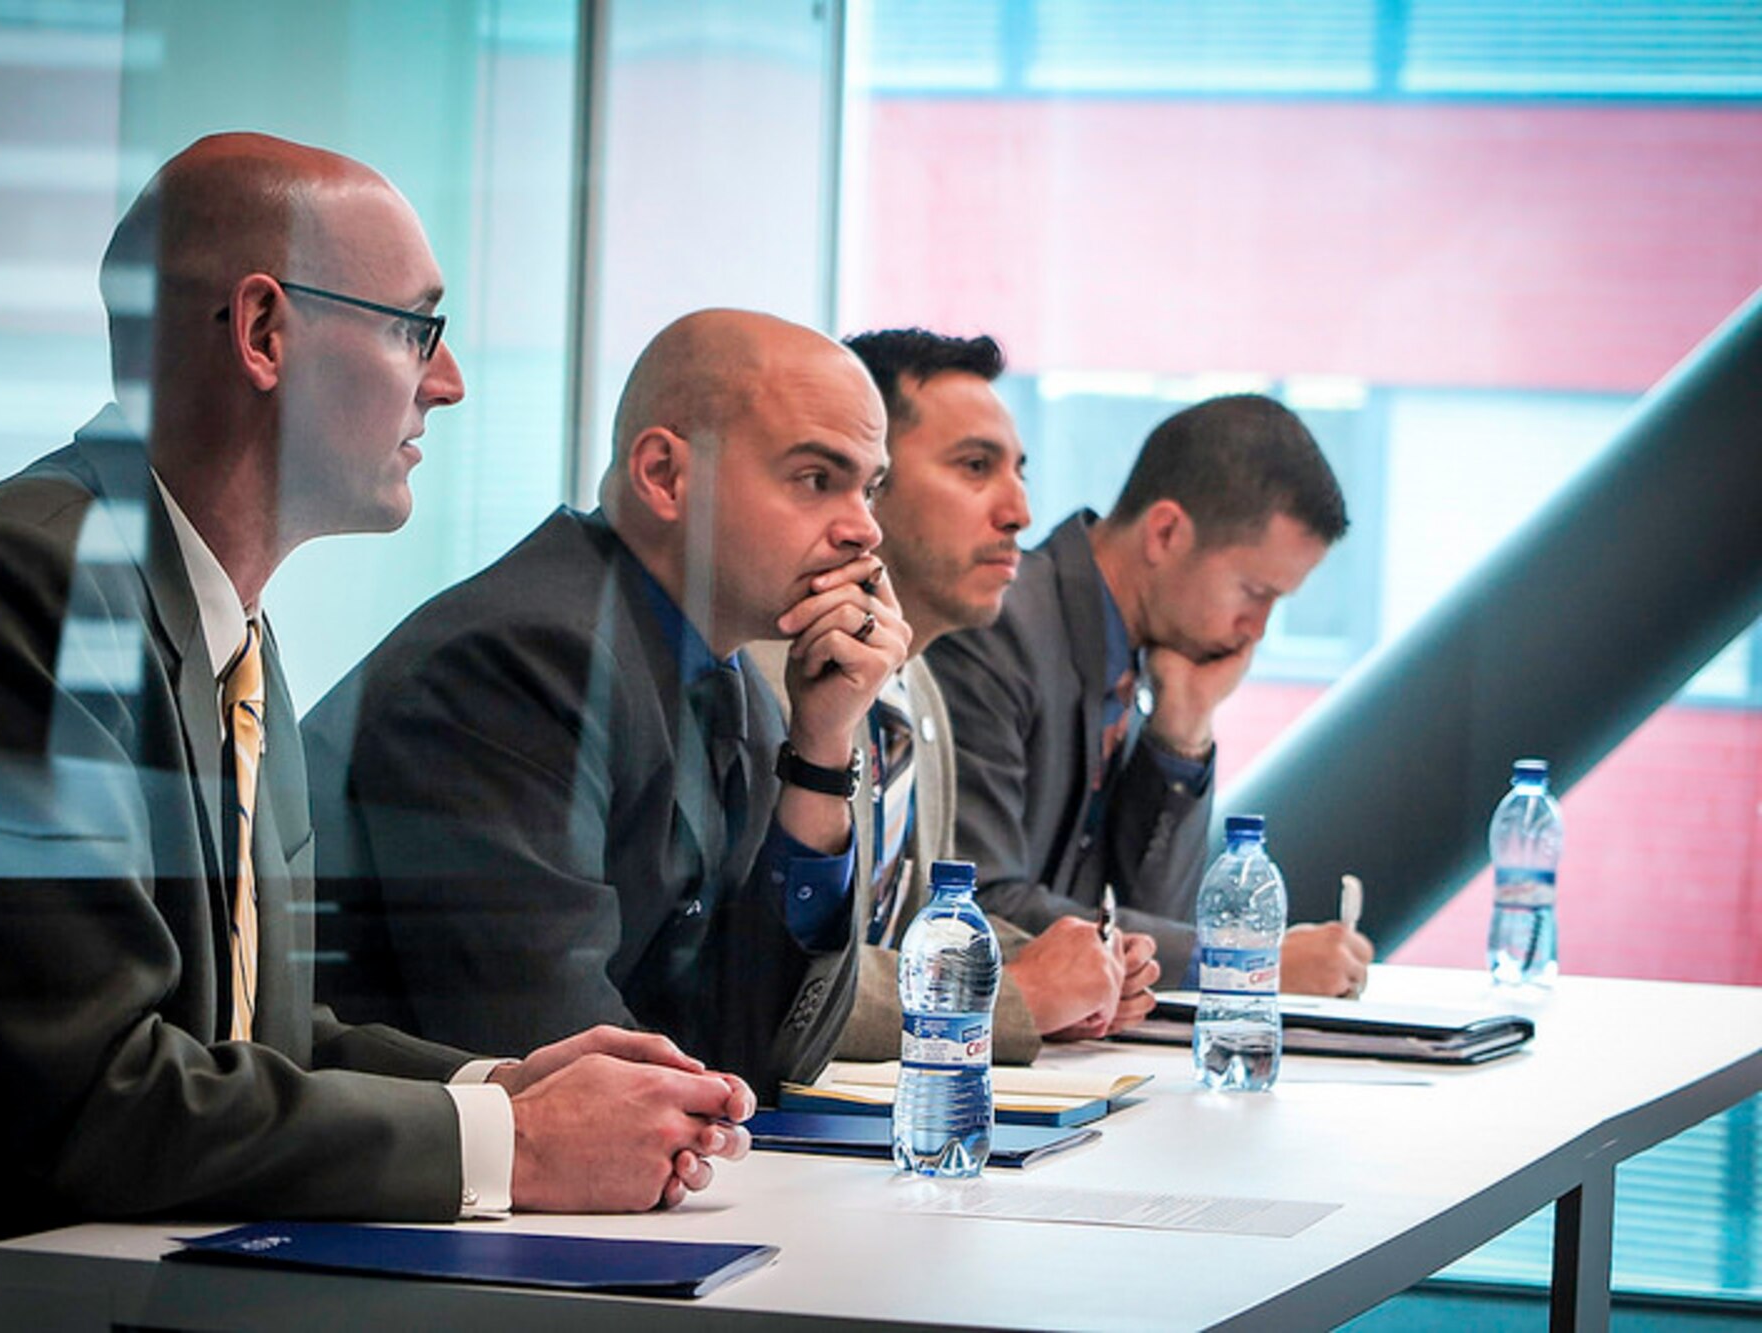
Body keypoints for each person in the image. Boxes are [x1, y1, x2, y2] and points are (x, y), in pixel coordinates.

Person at [0, 134, 750, 1325]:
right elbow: (92, 1098)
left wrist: (497, 1078)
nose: (446, 383)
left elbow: (255, 1038)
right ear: (264, 333)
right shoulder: (18, 582)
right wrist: (516, 1142)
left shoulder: (217, 612)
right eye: (414, 330)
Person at [303, 308, 908, 1092]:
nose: (864, 530)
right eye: (817, 480)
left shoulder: (739, 688)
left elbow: (771, 1053)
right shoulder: (521, 660)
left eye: (871, 488)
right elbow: (563, 1062)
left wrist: (823, 752)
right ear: (663, 475)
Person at [753, 328, 1160, 1063]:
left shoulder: (921, 689)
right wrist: (1013, 994)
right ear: (870, 480)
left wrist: (1076, 961)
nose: (1020, 512)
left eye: (1019, 472)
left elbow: (904, 932)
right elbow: (775, 975)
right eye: (976, 467)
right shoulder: (765, 679)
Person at [926, 393, 1374, 995]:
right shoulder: (998, 624)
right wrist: (1237, 962)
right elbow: (981, 903)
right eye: (1253, 591)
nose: (1258, 629)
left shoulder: (1139, 657)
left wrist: (1182, 729)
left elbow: (1153, 916)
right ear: (1165, 532)